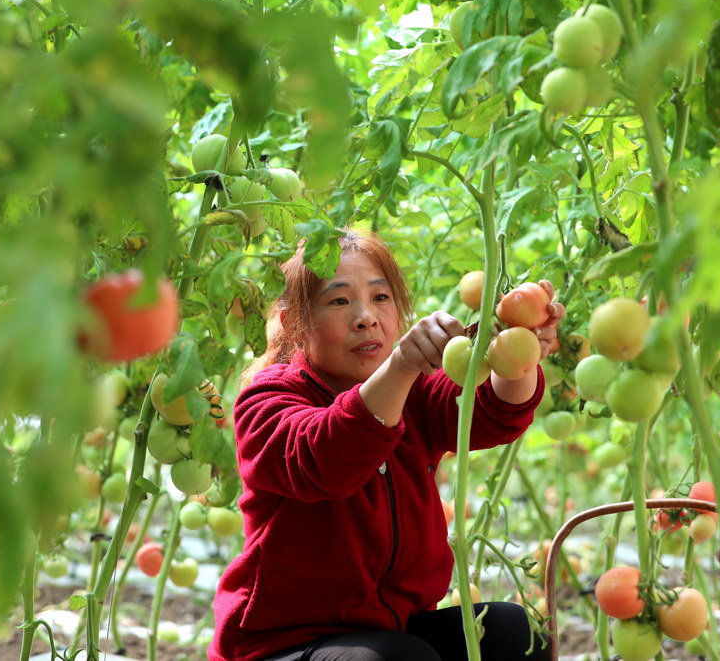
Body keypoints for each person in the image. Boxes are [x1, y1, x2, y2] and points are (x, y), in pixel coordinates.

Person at [208, 229, 565, 661]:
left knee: (515, 633)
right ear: (293, 325)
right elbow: (326, 458)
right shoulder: (267, 400)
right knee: (398, 659)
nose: (366, 317)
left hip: (395, 628)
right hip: (283, 644)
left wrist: (518, 354)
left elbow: (490, 413)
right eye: (339, 301)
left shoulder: (415, 394)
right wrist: (402, 364)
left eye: (380, 298)